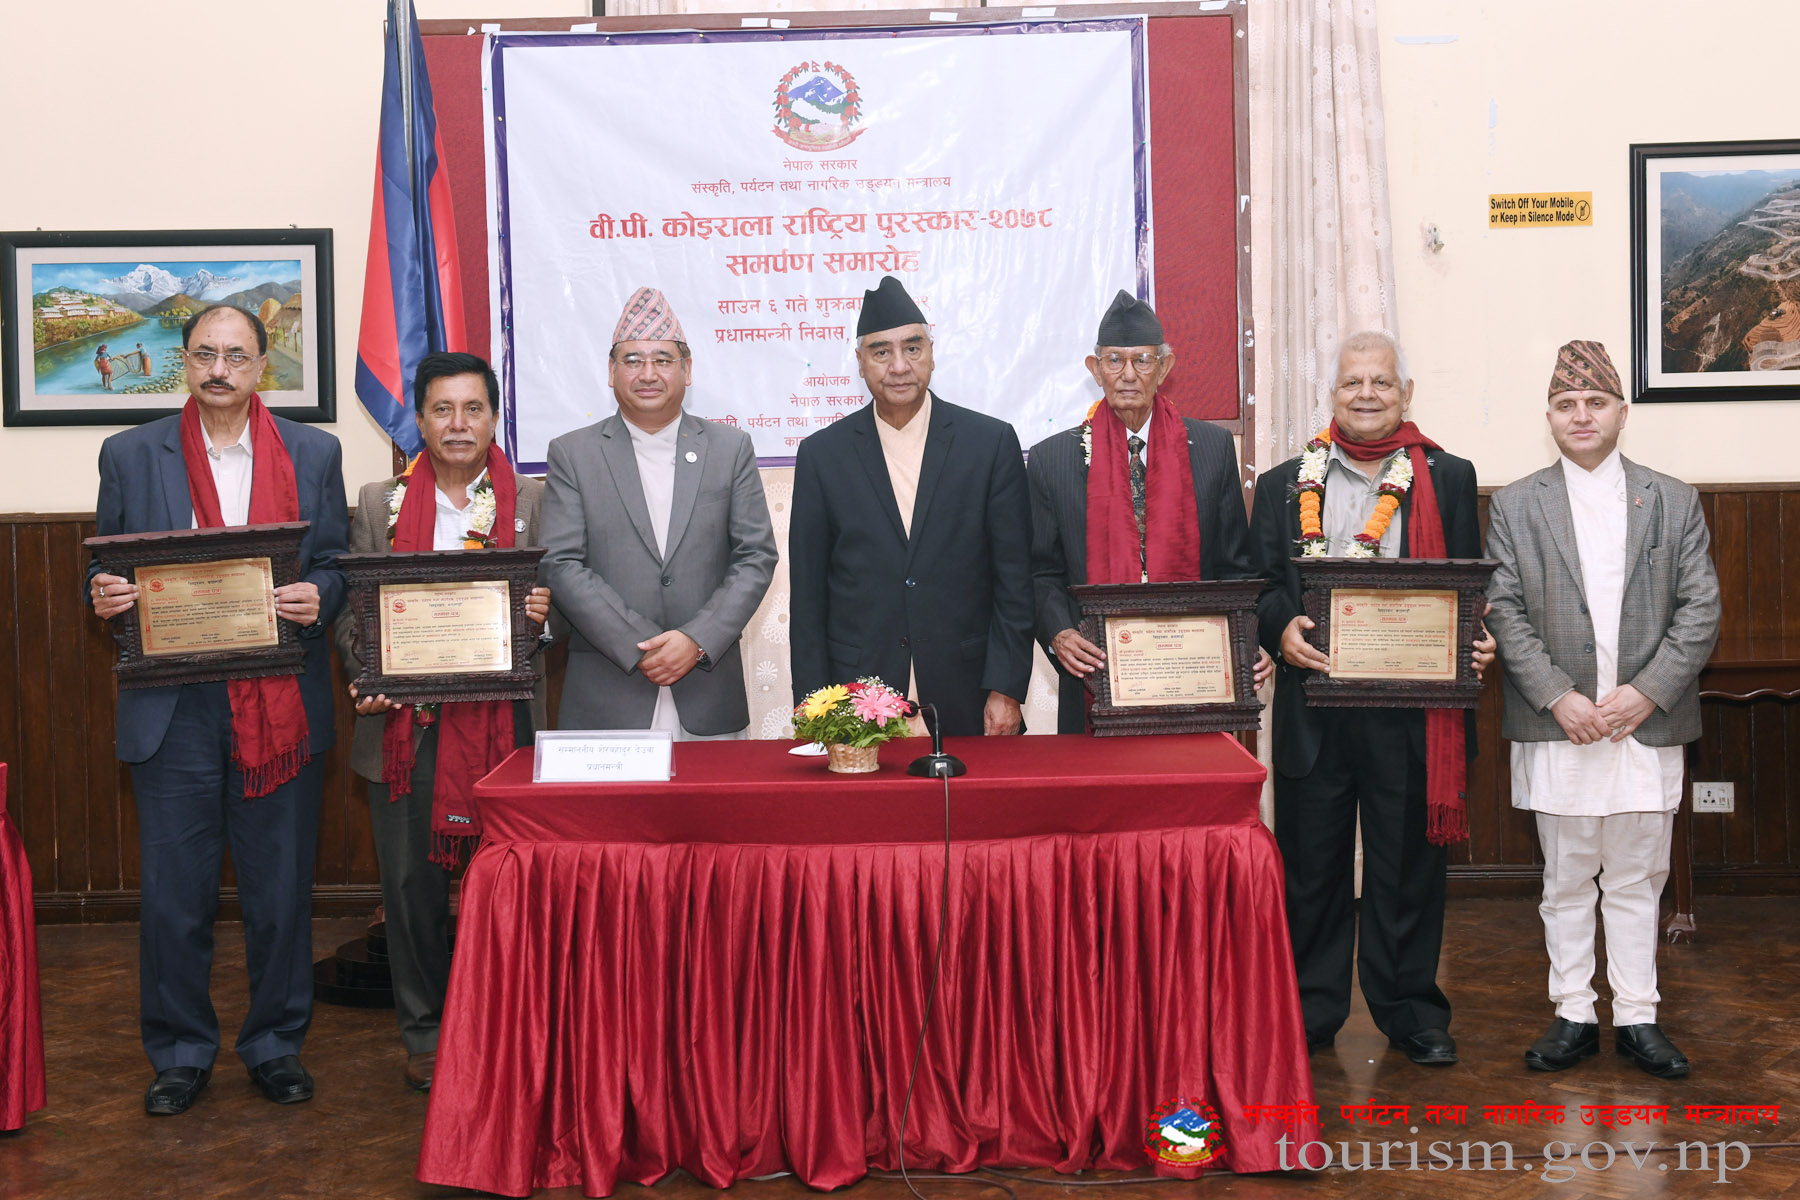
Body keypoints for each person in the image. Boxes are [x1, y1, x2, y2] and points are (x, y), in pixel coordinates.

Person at [87, 304, 347, 1114]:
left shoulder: (313, 452)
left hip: (280, 704)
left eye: (236, 355)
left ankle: (275, 1044)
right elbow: (101, 567)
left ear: (262, 366)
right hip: (175, 709)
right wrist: (103, 593)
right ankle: (179, 1053)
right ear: (184, 363)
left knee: (280, 894)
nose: (219, 369)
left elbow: (336, 562)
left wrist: (321, 594)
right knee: (174, 897)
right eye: (204, 354)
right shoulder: (132, 454)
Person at [1249, 329, 1493, 1066]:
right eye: (1352, 381)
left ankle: (1411, 1011)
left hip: (1413, 715)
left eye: (1381, 382)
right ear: (1332, 393)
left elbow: (1469, 586)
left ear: (1405, 393)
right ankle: (1309, 1012)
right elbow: (1260, 584)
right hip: (1314, 712)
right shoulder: (1284, 482)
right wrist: (1279, 629)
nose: (1366, 394)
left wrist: (1477, 639)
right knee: (1312, 870)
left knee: (1405, 871)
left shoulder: (1449, 477)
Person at [1485, 340, 1719, 1079]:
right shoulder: (1516, 504)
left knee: (1638, 878)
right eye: (1566, 404)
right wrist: (1559, 696)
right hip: (1560, 726)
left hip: (1645, 724)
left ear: (1622, 412)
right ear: (1549, 418)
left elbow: (1700, 609)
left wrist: (1645, 691)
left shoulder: (1673, 499)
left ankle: (1640, 1017)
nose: (1581, 415)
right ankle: (1574, 1015)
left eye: (1595, 402)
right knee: (1565, 879)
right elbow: (1503, 610)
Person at [333, 351, 552, 1092]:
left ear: (494, 418)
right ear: (420, 422)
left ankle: (507, 1027)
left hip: (506, 727)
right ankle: (425, 1034)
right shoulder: (377, 503)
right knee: (409, 890)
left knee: (511, 885)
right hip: (406, 730)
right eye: (442, 409)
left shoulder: (535, 501)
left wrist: (543, 620)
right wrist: (368, 674)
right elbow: (354, 616)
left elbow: (561, 604)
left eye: (473, 409)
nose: (459, 424)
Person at [789, 276, 1033, 737]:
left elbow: (1014, 582)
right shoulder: (823, 455)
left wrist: (1006, 689)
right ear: (860, 363)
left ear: (932, 354)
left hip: (970, 691)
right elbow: (808, 598)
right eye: (881, 352)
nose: (899, 366)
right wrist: (814, 708)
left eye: (913, 348)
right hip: (856, 696)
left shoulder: (989, 444)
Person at [1028, 290, 1271, 731]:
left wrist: (1247, 640)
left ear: (1164, 367)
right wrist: (1060, 632)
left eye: (1142, 360)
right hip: (1095, 672)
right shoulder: (1052, 459)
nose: (1128, 374)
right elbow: (1041, 571)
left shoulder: (1212, 449)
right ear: (1094, 368)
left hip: (1193, 672)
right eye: (1114, 360)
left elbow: (1235, 568)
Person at [540, 287, 776, 737]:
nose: (648, 373)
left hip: (707, 691)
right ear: (611, 371)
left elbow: (756, 557)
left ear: (687, 370)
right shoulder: (572, 454)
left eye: (663, 360)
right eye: (632, 360)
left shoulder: (730, 449)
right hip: (609, 693)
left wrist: (696, 640)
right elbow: (561, 564)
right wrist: (641, 644)